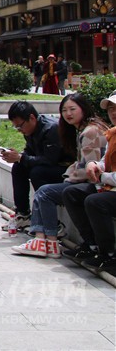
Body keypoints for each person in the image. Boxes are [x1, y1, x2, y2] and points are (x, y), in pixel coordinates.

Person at [10, 93, 108, 259]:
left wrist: (68, 176)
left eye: (72, 109)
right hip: (86, 180)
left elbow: (91, 169)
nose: (68, 114)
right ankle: (46, 240)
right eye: (64, 110)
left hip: (97, 184)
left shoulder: (90, 131)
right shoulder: (80, 130)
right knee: (38, 184)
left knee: (45, 192)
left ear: (83, 109)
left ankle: (47, 241)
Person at [61, 92, 116, 273]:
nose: (113, 113)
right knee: (72, 193)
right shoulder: (113, 134)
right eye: (110, 109)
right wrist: (95, 165)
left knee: (95, 201)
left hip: (110, 186)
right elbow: (104, 162)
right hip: (109, 186)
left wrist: (101, 176)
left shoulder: (92, 131)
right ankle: (91, 245)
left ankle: (109, 254)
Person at [0, 101, 73, 230]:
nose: (20, 130)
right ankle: (23, 214)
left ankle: (51, 223)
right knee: (18, 167)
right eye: (16, 128)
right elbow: (30, 151)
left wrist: (21, 158)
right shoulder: (29, 130)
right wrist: (17, 156)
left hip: (66, 169)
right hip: (49, 165)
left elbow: (50, 160)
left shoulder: (51, 129)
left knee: (37, 172)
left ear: (32, 118)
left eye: (20, 126)